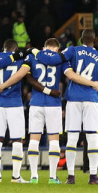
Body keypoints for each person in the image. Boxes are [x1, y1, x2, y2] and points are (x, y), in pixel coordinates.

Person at [60, 28, 98, 185]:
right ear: (94, 41)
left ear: (81, 39)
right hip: (91, 100)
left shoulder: (73, 50)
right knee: (92, 137)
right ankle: (93, 177)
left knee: (72, 138)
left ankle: (70, 176)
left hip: (73, 99)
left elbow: (61, 59)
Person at [0, 38, 30, 183]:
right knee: (17, 140)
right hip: (15, 102)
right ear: (15, 50)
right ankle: (16, 176)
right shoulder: (20, 60)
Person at [24, 37, 65, 184]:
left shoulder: (33, 56)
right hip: (53, 103)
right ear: (57, 49)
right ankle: (53, 177)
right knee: (54, 140)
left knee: (34, 140)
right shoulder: (60, 59)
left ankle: (34, 176)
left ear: (44, 47)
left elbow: (27, 78)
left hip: (36, 102)